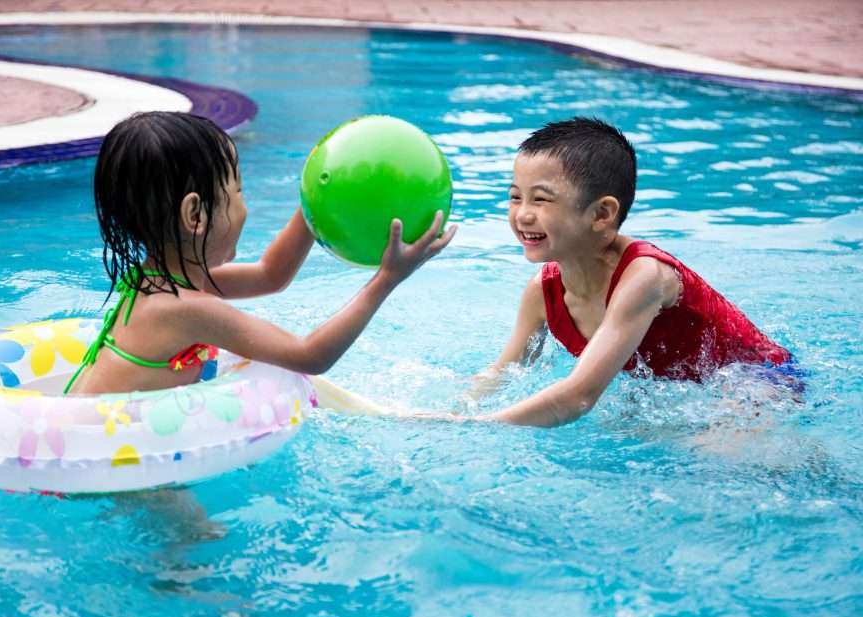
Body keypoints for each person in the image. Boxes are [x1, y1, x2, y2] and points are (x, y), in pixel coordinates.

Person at [65, 111, 455, 395]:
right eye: (238, 191)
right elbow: (310, 355)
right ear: (195, 215)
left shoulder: (163, 282)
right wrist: (387, 279)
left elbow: (272, 275)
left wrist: (318, 202)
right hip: (107, 461)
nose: (244, 206)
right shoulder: (184, 308)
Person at [463, 117, 795, 427]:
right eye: (515, 197)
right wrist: (452, 410)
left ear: (601, 214)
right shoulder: (543, 293)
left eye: (540, 200)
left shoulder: (644, 276)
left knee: (708, 454)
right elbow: (504, 373)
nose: (522, 214)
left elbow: (579, 397)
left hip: (760, 383)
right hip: (693, 395)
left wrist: (477, 426)